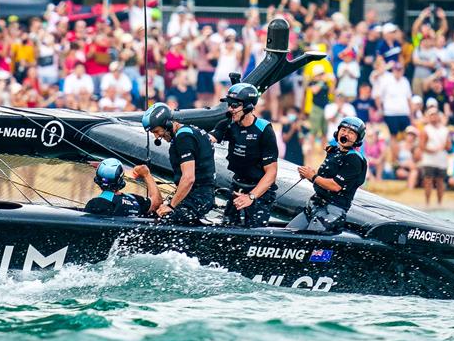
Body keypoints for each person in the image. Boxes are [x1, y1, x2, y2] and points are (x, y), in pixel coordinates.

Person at [209, 83, 278, 227]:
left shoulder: (264, 130)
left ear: (248, 107)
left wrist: (251, 197)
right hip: (237, 186)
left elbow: (271, 173)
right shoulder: (228, 125)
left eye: (234, 106)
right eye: (229, 105)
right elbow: (209, 140)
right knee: (227, 228)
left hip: (259, 191)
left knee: (254, 232)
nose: (230, 109)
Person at [142, 102, 216, 224]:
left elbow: (188, 178)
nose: (157, 136)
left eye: (156, 131)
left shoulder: (183, 138)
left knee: (161, 222)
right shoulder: (191, 130)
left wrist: (171, 206)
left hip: (198, 198)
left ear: (167, 124)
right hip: (199, 195)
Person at [293, 117, 367, 233]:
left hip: (333, 210)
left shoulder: (354, 159)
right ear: (338, 132)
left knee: (310, 239)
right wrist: (308, 175)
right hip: (315, 204)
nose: (346, 134)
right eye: (343, 130)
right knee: (289, 231)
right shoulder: (334, 151)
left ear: (358, 138)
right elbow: (323, 179)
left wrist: (313, 176)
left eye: (351, 132)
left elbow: (335, 186)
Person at [84, 159, 161, 216]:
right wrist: (146, 174)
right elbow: (157, 202)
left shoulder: (94, 204)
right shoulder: (135, 200)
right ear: (121, 180)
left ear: (98, 180)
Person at [418, 106, 451, 206]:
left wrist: (443, 147)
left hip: (441, 159)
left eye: (435, 115)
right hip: (429, 159)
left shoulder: (445, 130)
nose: (433, 117)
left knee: (440, 181)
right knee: (428, 181)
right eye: (431, 115)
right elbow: (422, 146)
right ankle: (427, 203)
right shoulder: (426, 130)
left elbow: (449, 145)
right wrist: (432, 150)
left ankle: (439, 203)